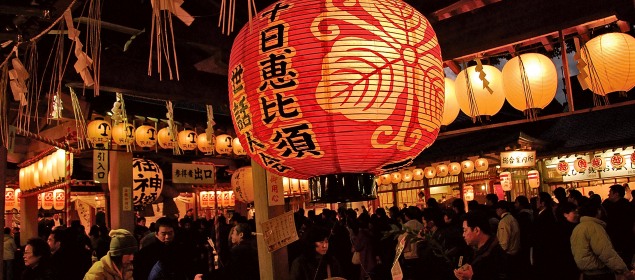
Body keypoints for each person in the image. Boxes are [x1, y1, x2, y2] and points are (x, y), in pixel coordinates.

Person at [570, 202, 635, 280]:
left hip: (586, 272)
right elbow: (606, 253)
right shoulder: (594, 227)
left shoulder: (578, 227)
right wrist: (624, 270)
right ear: (598, 211)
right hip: (599, 273)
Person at [134, 217, 203, 280]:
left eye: (170, 233)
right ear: (156, 234)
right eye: (163, 234)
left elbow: (190, 268)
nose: (167, 237)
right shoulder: (146, 253)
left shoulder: (181, 250)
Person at [454, 210, 505, 280]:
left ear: (477, 230)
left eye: (465, 230)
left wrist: (471, 277)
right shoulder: (485, 248)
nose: (463, 234)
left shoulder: (493, 254)